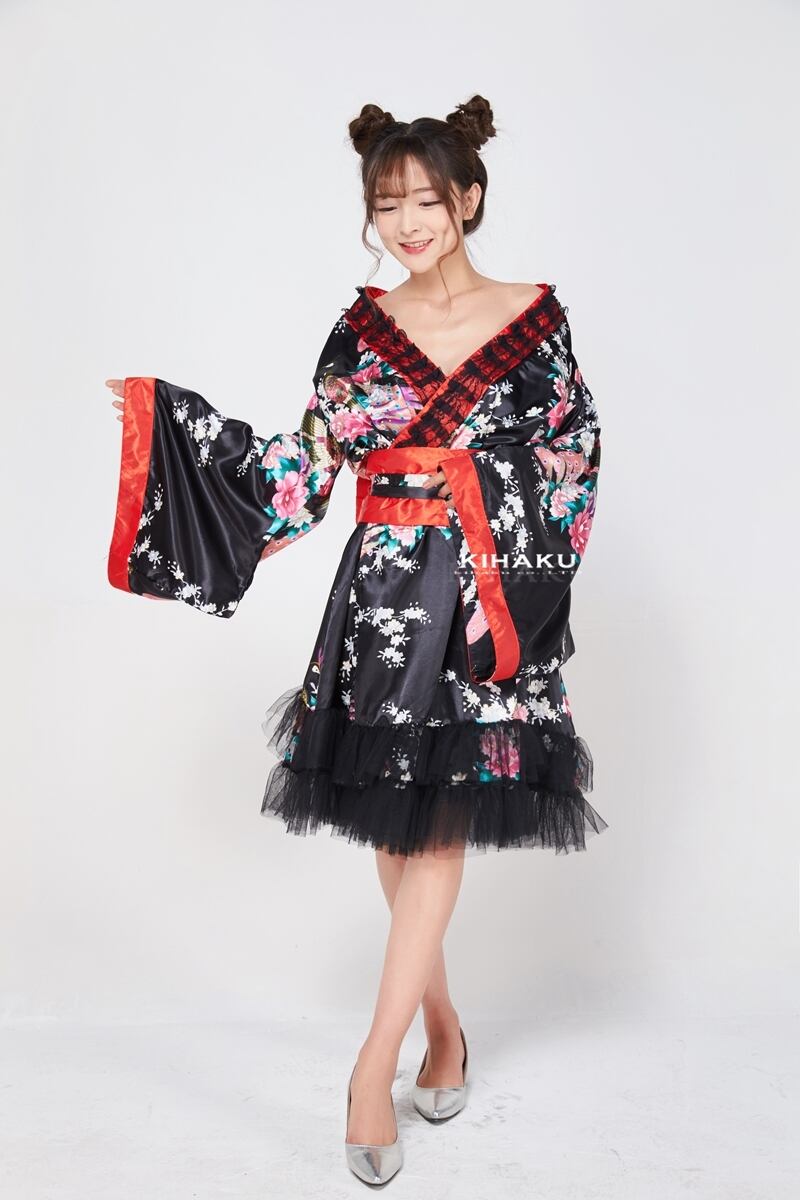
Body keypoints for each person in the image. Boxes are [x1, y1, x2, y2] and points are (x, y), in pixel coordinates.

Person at [105, 94, 607, 1187]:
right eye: (387, 206)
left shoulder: (534, 322)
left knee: (436, 828)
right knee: (394, 821)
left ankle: (371, 1067)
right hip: (383, 598)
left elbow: (571, 458)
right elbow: (300, 472)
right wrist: (169, 428)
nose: (408, 223)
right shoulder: (360, 335)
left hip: (484, 597)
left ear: (469, 197)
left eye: (426, 200)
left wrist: (483, 500)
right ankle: (444, 1027)